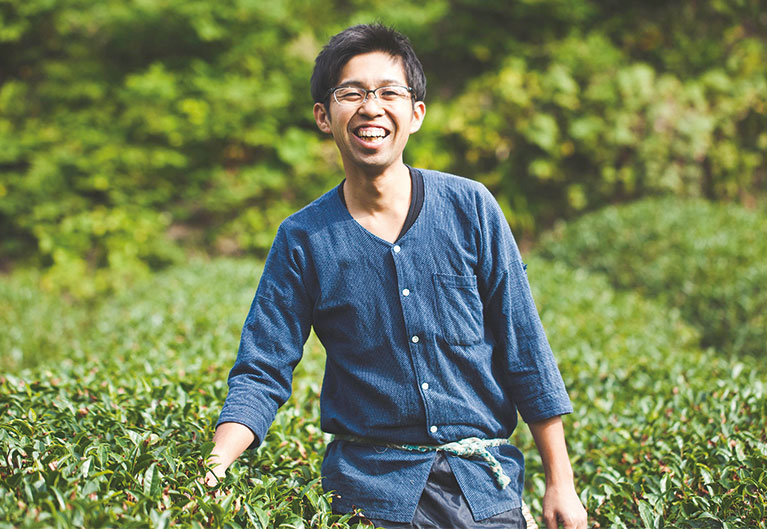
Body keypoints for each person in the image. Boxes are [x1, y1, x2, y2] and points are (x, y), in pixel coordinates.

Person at [205, 23, 588, 529]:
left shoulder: (471, 207)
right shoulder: (302, 238)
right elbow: (263, 368)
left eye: (389, 92)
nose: (371, 107)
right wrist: (213, 467)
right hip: (367, 497)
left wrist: (561, 482)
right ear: (323, 116)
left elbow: (525, 347)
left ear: (416, 113)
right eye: (351, 93)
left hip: (484, 493)